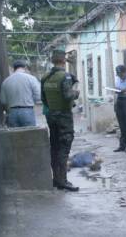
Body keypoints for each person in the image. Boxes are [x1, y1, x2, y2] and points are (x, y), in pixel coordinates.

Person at [41, 50, 80, 192]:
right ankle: (62, 180)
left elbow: (43, 98)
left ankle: (56, 178)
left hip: (51, 115)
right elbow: (68, 95)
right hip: (64, 117)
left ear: (52, 60)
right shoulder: (66, 77)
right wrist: (76, 93)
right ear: (64, 61)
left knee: (54, 146)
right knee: (64, 147)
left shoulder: (45, 77)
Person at [0, 60, 41, 127]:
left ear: (14, 68)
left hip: (12, 113)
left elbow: (3, 100)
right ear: (25, 68)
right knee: (29, 135)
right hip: (27, 111)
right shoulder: (31, 78)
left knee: (15, 136)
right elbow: (38, 96)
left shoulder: (6, 81)